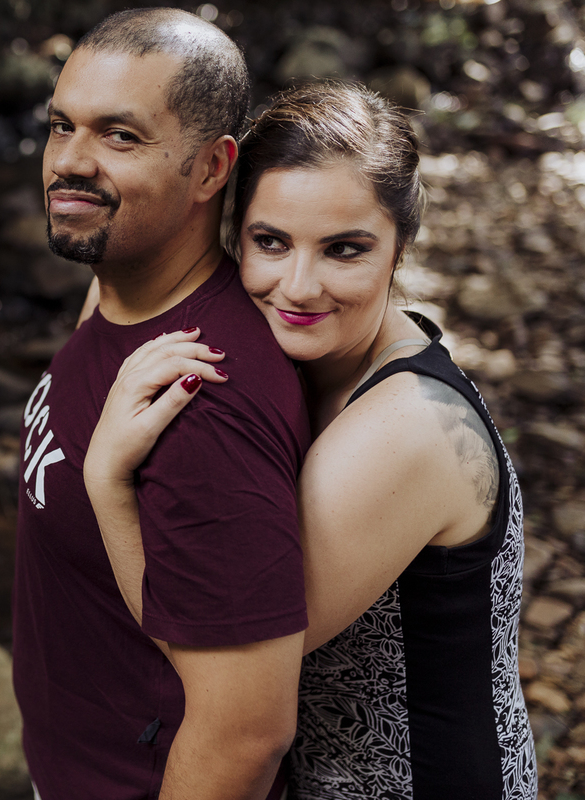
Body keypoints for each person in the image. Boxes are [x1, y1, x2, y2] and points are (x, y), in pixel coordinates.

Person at [82, 81, 538, 798]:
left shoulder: (406, 429)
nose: (298, 287)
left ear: (400, 249)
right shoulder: (316, 356)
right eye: (270, 242)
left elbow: (217, 656)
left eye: (344, 250)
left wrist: (106, 482)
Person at [11, 8, 311, 799]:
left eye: (120, 137)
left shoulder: (204, 396)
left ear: (212, 171)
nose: (70, 163)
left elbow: (246, 735)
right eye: (60, 126)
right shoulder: (122, 291)